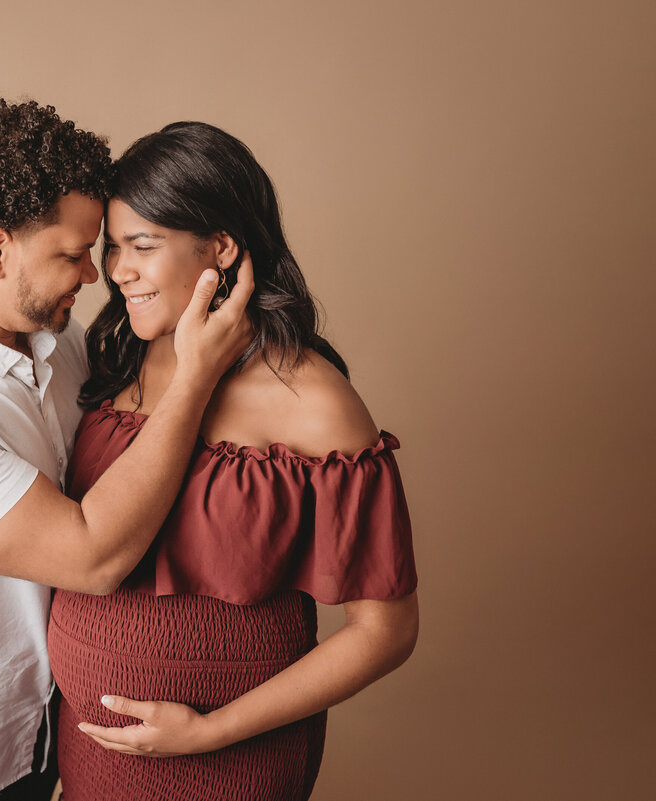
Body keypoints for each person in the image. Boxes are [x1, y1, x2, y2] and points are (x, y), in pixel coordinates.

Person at [0, 101, 254, 801]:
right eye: (72, 253)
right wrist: (198, 377)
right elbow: (93, 554)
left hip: (47, 721)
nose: (95, 275)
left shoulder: (60, 340)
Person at [47, 122, 420, 800]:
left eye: (142, 245)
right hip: (90, 752)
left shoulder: (311, 400)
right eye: (112, 247)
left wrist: (211, 731)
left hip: (229, 765)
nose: (117, 270)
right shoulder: (122, 354)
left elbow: (387, 631)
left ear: (220, 246)